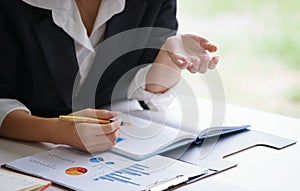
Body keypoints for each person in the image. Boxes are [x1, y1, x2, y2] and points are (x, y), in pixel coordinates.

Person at [0, 0, 218, 153]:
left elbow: (145, 86)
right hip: (25, 150)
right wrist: (56, 131)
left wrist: (169, 62)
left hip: (116, 150)